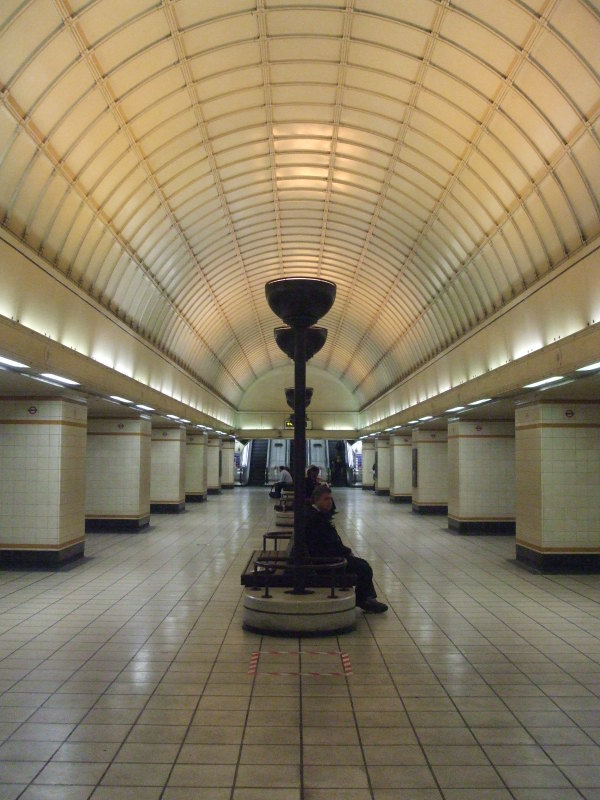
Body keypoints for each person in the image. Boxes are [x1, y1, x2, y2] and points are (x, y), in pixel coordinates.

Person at [305, 484, 387, 613]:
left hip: (326, 557)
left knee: (361, 564)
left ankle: (369, 598)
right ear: (316, 500)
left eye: (330, 499)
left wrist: (344, 550)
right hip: (326, 563)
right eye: (326, 499)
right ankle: (363, 599)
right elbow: (326, 545)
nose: (330, 502)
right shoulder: (316, 519)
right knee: (364, 567)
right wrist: (345, 552)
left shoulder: (316, 515)